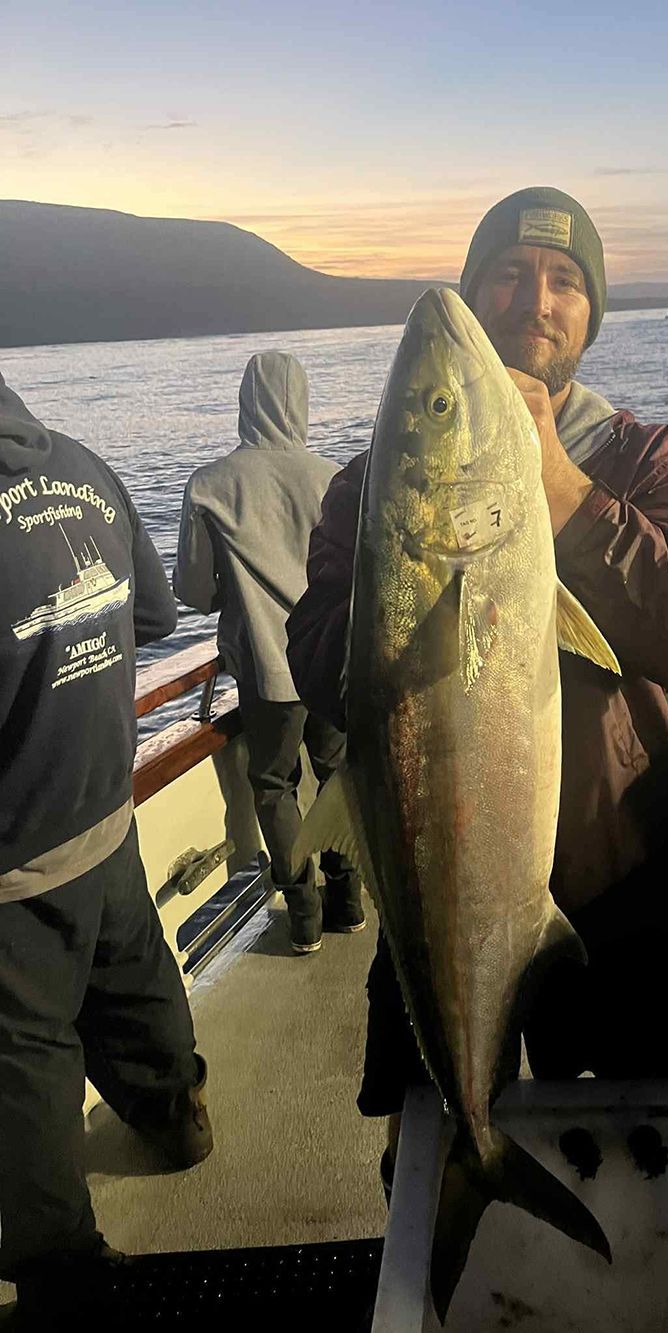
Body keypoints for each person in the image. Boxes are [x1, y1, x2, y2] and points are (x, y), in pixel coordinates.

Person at [285, 186, 668, 1159]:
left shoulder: (650, 461)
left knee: (642, 1150)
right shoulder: (374, 485)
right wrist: (409, 577)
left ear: (591, 310)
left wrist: (560, 490)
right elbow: (315, 658)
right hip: (432, 882)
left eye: (565, 280)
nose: (537, 298)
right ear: (476, 289)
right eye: (509, 273)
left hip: (618, 888)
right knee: (430, 1143)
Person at [0, 372, 212, 1324]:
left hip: (15, 856)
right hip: (107, 809)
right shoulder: (87, 469)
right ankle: (180, 1120)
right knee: (135, 980)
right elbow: (156, 620)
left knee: (26, 1059)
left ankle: (62, 1275)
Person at [174, 351, 364, 954]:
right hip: (331, 664)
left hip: (268, 672)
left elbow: (194, 592)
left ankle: (303, 919)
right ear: (301, 402)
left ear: (244, 404)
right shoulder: (332, 477)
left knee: (275, 786)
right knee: (336, 777)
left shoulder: (210, 485)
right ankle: (349, 901)